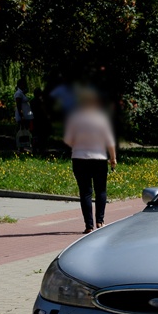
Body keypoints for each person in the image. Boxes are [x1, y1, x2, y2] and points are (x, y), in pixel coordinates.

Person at [64, 88, 117, 234]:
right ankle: (100, 221)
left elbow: (68, 140)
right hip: (99, 159)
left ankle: (89, 226)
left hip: (79, 158)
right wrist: (113, 159)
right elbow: (110, 142)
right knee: (101, 190)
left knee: (85, 192)